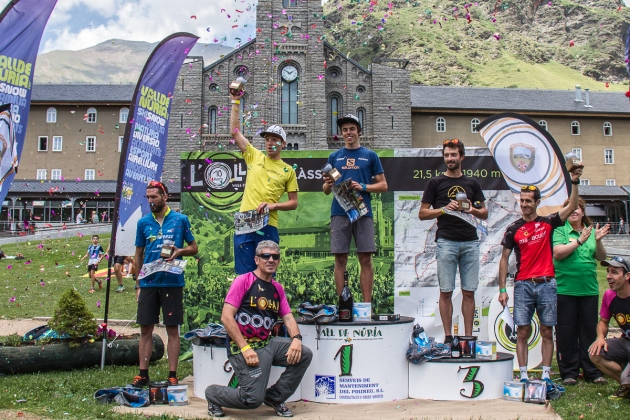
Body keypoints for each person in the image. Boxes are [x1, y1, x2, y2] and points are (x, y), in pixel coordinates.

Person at [205, 240, 312, 418]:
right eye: (266, 256)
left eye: (275, 257)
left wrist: (296, 339)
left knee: (304, 354)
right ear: (257, 259)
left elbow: (288, 317)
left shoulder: (278, 288)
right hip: (243, 347)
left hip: (266, 344)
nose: (270, 260)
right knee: (252, 399)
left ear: (278, 261)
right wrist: (245, 348)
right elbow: (226, 317)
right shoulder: (243, 281)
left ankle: (275, 397)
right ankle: (213, 394)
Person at [498, 165, 582, 388]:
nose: (525, 204)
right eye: (522, 200)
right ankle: (524, 375)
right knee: (522, 331)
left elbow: (573, 205)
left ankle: (545, 374)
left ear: (537, 203)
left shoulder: (548, 222)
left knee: (547, 330)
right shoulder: (512, 229)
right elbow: (504, 259)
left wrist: (574, 181)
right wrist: (502, 289)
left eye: (529, 200)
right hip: (523, 285)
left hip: (546, 283)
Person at [418, 139, 487, 341]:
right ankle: (448, 337)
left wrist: (470, 208)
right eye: (447, 155)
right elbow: (422, 213)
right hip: (446, 242)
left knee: (469, 292)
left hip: (470, 242)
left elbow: (484, 213)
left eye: (453, 155)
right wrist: (443, 209)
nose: (450, 158)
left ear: (461, 157)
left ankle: (467, 337)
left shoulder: (472, 183)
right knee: (446, 291)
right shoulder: (435, 183)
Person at [131, 180, 198, 387]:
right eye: (148, 197)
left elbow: (194, 248)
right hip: (149, 283)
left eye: (154, 197)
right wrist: (138, 283)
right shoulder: (143, 223)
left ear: (165, 197)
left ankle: (172, 374)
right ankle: (143, 373)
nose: (151, 201)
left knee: (172, 329)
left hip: (172, 281)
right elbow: (138, 254)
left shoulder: (180, 220)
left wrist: (180, 251)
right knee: (145, 329)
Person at [229, 86, 298, 275]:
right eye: (267, 139)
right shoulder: (254, 156)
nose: (270, 143)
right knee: (244, 275)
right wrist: (235, 101)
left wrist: (273, 206)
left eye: (275, 139)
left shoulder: (287, 170)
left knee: (266, 274)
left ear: (283, 143)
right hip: (245, 221)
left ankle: (265, 304)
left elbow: (293, 203)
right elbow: (235, 132)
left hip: (268, 224)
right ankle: (245, 306)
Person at [322, 114, 388, 302]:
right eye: (344, 130)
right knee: (340, 260)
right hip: (339, 212)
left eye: (352, 129)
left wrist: (363, 186)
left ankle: (366, 306)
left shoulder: (370, 156)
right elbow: (327, 190)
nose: (348, 132)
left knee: (365, 259)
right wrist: (327, 183)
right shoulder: (334, 157)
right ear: (341, 133)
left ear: (359, 131)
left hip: (363, 212)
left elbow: (383, 186)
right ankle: (344, 305)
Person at [553, 197, 609, 385]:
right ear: (566, 212)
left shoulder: (591, 232)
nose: (574, 210)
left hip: (589, 290)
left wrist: (598, 240)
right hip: (565, 290)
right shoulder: (559, 231)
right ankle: (569, 372)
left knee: (589, 332)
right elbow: (558, 253)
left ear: (583, 213)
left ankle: (592, 371)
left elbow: (601, 257)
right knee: (566, 332)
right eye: (570, 207)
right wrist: (579, 241)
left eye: (578, 208)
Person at [589, 256, 630, 399]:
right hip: (626, 342)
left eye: (614, 272)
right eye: (608, 271)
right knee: (595, 353)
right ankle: (626, 384)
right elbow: (603, 322)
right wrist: (600, 337)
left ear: (627, 276)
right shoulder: (609, 295)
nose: (608, 276)